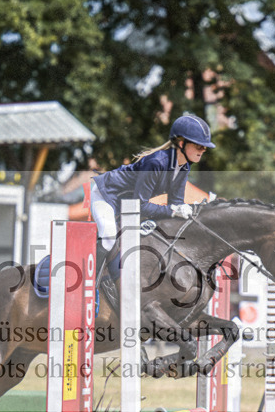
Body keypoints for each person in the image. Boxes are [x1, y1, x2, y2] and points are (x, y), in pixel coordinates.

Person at [88, 113, 215, 306]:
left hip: (127, 204)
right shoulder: (157, 162)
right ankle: (89, 290)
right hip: (106, 195)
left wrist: (188, 214)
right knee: (108, 237)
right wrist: (173, 211)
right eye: (199, 145)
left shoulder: (183, 167)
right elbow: (141, 205)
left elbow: (175, 204)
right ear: (181, 143)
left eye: (205, 147)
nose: (203, 150)